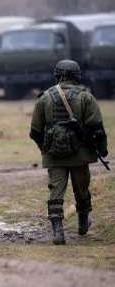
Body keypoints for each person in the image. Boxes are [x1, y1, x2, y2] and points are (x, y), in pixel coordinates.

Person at [30, 59, 109, 245]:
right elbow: (97, 128)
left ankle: (58, 231)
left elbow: (34, 132)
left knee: (56, 191)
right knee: (81, 188)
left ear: (58, 75)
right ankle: (83, 222)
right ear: (76, 75)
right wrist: (102, 149)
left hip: (54, 155)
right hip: (80, 155)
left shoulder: (45, 97)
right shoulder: (85, 97)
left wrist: (46, 149)